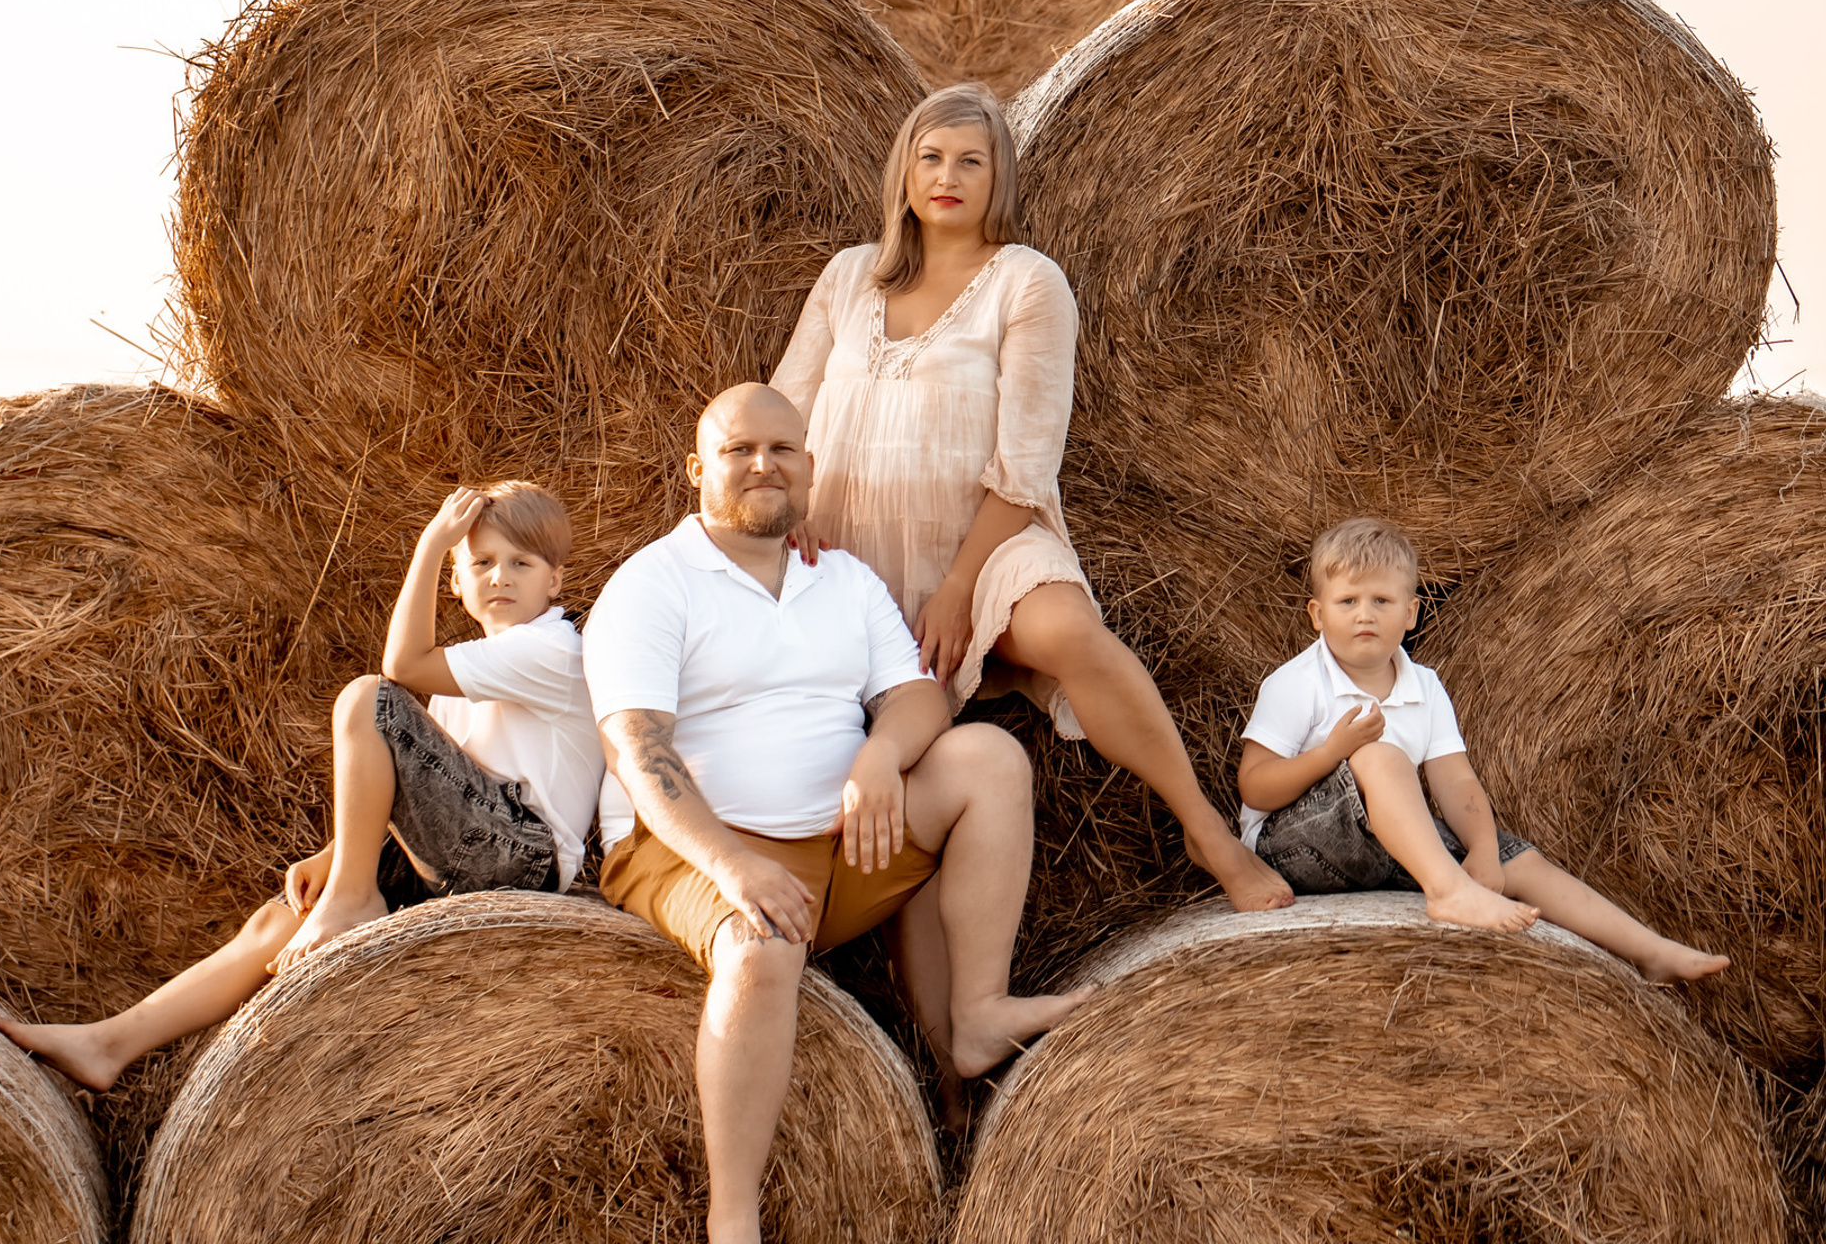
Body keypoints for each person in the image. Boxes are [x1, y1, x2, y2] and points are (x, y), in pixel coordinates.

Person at [770, 84, 1292, 932]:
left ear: (999, 180)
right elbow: (783, 409)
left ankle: (1205, 828)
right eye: (931, 157)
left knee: (1064, 631)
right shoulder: (848, 278)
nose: (948, 176)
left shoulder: (1025, 282)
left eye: (971, 161)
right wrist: (783, 505)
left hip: (990, 539)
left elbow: (1027, 459)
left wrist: (958, 586)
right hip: (850, 554)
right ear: (904, 170)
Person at [583, 382, 1088, 1244]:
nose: (763, 465)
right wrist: (734, 867)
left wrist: (879, 756)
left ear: (810, 467)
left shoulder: (843, 578)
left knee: (989, 761)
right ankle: (732, 1218)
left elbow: (916, 696)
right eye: (740, 450)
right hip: (690, 845)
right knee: (761, 943)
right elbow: (638, 751)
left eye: (782, 449)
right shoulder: (653, 584)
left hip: (841, 838)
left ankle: (976, 1017)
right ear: (696, 470)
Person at [0, 481, 606, 1089]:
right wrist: (339, 855)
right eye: (481, 563)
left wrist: (428, 545)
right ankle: (109, 1043)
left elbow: (400, 669)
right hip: (473, 847)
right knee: (281, 920)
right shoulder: (477, 664)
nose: (499, 577)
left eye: (520, 564)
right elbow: (426, 787)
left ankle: (352, 899)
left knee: (369, 698)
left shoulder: (552, 649)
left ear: (553, 581)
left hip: (522, 854)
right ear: (459, 582)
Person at [1236, 514, 1731, 978]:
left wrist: (1485, 850)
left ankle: (1650, 951)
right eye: (1348, 602)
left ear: (1410, 613)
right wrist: (1332, 752)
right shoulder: (1297, 682)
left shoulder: (1425, 685)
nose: (1364, 615)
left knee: (1521, 863)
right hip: (1291, 850)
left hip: (1382, 849)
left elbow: (1454, 780)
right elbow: (1255, 788)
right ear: (1317, 615)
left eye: (1381, 602)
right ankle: (1449, 893)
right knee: (1380, 753)